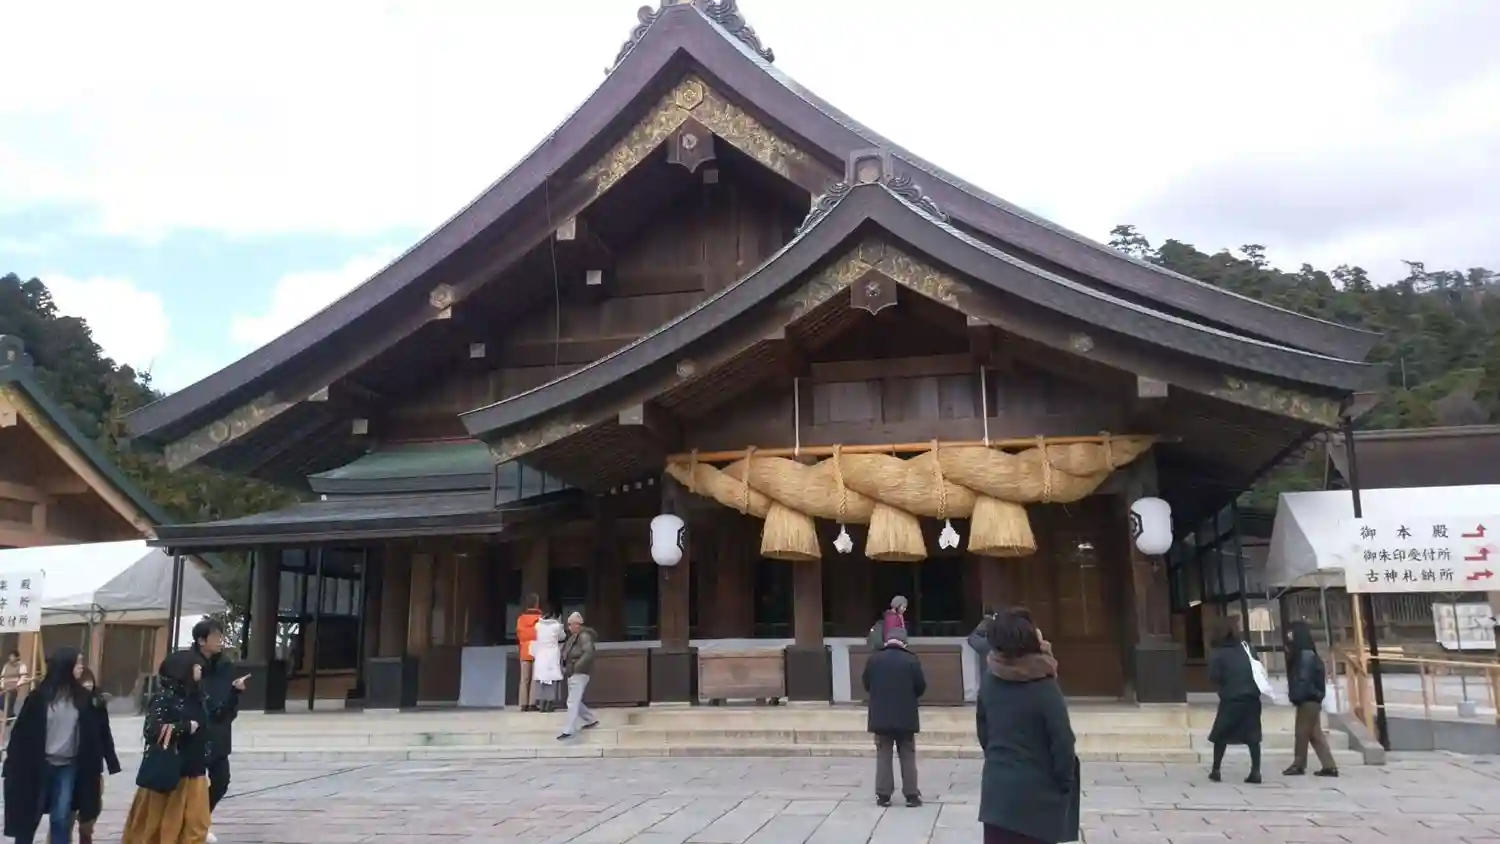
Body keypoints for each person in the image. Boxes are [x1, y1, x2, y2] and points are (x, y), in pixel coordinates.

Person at [976, 609, 1079, 844]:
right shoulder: (1044, 686)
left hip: (997, 792)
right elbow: (1062, 740)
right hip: (1039, 796)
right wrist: (1064, 782)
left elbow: (984, 731)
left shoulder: (990, 680)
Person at [2, 647, 112, 844]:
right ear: (66, 666)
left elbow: (96, 734)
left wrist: (103, 764)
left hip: (68, 766)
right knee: (30, 816)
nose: (81, 667)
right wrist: (11, 764)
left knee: (61, 817)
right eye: (77, 663)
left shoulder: (83, 699)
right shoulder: (39, 698)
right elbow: (21, 735)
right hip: (39, 765)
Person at [121, 649, 214, 844]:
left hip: (195, 770)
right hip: (170, 773)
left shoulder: (198, 697)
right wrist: (185, 727)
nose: (200, 669)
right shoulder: (165, 698)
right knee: (158, 828)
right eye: (196, 665)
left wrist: (234, 694)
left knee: (196, 826)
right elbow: (152, 730)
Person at [191, 618, 248, 844]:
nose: (219, 640)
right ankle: (194, 826)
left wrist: (235, 694)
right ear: (201, 640)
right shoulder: (189, 664)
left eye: (220, 635)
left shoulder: (226, 666)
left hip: (219, 733)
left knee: (221, 781)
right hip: (194, 734)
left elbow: (229, 704)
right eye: (215, 636)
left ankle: (199, 821)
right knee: (191, 785)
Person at [861, 627, 926, 807]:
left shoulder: (874, 659)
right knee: (907, 754)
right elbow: (920, 686)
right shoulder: (911, 660)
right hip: (906, 716)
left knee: (883, 754)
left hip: (881, 716)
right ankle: (911, 795)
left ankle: (883, 795)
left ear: (887, 640)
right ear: (903, 642)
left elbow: (866, 684)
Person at [1207, 617, 1263, 784]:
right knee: (1253, 736)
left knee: (1221, 734)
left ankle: (1216, 769)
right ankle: (1256, 771)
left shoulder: (1218, 653)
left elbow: (1214, 676)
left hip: (1231, 698)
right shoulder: (1248, 648)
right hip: (1251, 697)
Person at [68, 668, 121, 844]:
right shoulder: (68, 702)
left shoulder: (98, 704)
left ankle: (86, 836)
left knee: (91, 809)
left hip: (92, 766)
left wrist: (112, 762)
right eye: (84, 682)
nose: (88, 685)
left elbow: (105, 733)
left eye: (90, 681)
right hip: (70, 764)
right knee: (66, 812)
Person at [1282, 620, 1338, 778]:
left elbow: (1303, 680)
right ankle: (1329, 766)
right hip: (1313, 699)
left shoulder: (1304, 656)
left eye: (1291, 634)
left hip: (1307, 699)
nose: (1289, 637)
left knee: (1301, 732)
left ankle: (1298, 764)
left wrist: (1296, 697)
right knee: (1314, 734)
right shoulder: (1310, 654)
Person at [556, 612, 599, 740]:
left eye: (570, 624)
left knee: (572, 701)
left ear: (577, 624)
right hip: (573, 672)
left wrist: (576, 667)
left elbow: (588, 653)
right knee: (575, 700)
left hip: (579, 672)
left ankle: (568, 730)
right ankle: (590, 720)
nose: (568, 627)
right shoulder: (575, 636)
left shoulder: (584, 636)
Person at [530, 611, 565, 713]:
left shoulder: (537, 625)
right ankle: (549, 704)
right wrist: (560, 624)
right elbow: (562, 637)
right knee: (551, 680)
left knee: (541, 681)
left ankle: (541, 704)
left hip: (540, 655)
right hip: (552, 655)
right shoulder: (556, 626)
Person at [516, 594, 544, 712]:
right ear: (537, 604)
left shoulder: (520, 619)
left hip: (524, 650)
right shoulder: (541, 619)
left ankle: (523, 703)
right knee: (534, 678)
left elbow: (520, 635)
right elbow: (541, 635)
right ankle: (532, 703)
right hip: (537, 650)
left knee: (524, 679)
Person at [3, 649, 29, 719]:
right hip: (5, 687)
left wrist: (18, 685)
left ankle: (8, 718)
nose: (10, 658)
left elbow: (23, 677)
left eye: (12, 656)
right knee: (3, 702)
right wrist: (2, 684)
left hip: (13, 688)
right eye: (10, 656)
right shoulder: (6, 665)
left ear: (16, 657)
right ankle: (11, 715)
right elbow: (3, 675)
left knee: (9, 703)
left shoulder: (21, 665)